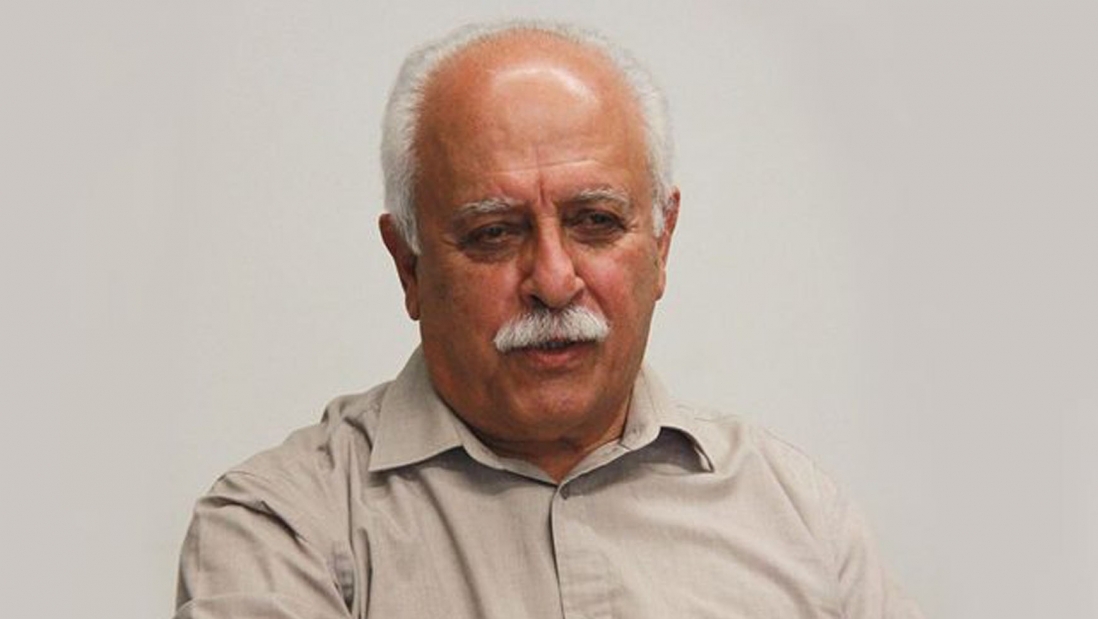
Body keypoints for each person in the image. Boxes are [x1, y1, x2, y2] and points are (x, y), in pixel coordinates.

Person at [174, 20, 923, 619]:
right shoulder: (287, 526)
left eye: (596, 221)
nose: (556, 281)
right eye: (495, 233)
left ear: (662, 243)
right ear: (408, 266)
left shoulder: (799, 516)